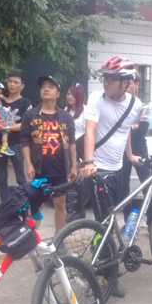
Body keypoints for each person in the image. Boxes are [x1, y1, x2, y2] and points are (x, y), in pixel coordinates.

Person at [81, 56, 143, 298]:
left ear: (126, 82)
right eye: (104, 77)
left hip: (118, 169)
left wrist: (130, 156)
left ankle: (99, 257)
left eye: (111, 78)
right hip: (98, 171)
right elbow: (90, 132)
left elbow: (124, 130)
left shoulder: (135, 105)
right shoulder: (97, 98)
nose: (105, 82)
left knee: (109, 220)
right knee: (106, 223)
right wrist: (89, 163)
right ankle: (109, 276)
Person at [21, 76, 77, 232]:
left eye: (51, 87)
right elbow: (25, 142)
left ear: (58, 94)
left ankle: (59, 238)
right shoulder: (30, 115)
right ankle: (31, 236)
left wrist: (73, 166)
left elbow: (72, 143)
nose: (46, 89)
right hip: (40, 169)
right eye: (43, 86)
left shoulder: (65, 117)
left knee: (60, 204)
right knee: (36, 204)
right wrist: (28, 164)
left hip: (60, 169)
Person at [0, 72, 32, 202]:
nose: (12, 84)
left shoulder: (26, 102)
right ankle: (4, 205)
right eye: (10, 81)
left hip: (17, 144)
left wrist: (5, 128)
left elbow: (25, 125)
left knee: (21, 178)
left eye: (16, 82)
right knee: (2, 178)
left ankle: (24, 204)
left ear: (22, 86)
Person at [120, 71, 152, 225]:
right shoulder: (119, 105)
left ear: (136, 85)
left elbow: (142, 129)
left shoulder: (144, 105)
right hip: (121, 149)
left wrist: (127, 128)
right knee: (123, 187)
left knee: (147, 184)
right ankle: (128, 222)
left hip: (139, 148)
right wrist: (132, 126)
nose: (126, 87)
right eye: (125, 84)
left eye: (130, 84)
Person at [65, 82, 89, 222]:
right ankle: (70, 210)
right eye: (68, 94)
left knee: (80, 180)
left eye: (72, 94)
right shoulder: (65, 111)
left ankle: (79, 210)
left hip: (81, 149)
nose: (69, 97)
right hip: (67, 149)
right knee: (69, 179)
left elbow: (89, 134)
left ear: (79, 96)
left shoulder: (86, 111)